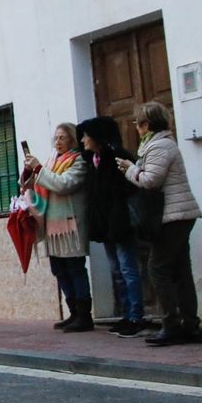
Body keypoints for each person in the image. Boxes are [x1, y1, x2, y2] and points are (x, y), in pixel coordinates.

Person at [125, 101, 202, 346]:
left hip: (172, 215)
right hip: (178, 214)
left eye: (138, 123)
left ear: (148, 124)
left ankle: (172, 325)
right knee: (180, 271)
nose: (137, 127)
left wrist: (129, 170)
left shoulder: (160, 145)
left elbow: (150, 180)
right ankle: (190, 326)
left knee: (157, 269)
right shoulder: (159, 144)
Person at [77, 115, 145, 337]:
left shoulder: (118, 158)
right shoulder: (92, 161)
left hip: (121, 223)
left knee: (127, 268)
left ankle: (136, 315)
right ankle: (126, 314)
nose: (83, 139)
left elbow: (128, 189)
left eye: (87, 135)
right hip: (106, 226)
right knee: (117, 270)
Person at [23, 123, 93, 332]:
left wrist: (39, 169)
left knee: (75, 269)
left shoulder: (78, 161)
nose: (58, 142)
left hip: (70, 225)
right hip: (53, 225)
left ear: (72, 139)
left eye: (62, 138)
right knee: (59, 270)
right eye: (56, 138)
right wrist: (29, 172)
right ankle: (72, 312)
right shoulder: (52, 162)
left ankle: (84, 315)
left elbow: (63, 184)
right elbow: (36, 184)